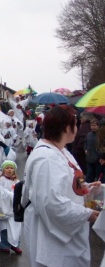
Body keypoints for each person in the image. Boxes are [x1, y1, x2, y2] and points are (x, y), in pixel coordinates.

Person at [22, 105, 100, 267]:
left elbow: (66, 183)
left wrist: (87, 187)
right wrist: (86, 214)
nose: (78, 127)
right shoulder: (47, 159)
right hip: (53, 240)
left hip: (65, 236)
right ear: (67, 128)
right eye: (76, 124)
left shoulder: (60, 150)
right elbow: (50, 202)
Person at [0, 160, 22, 254]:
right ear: (3, 170)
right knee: (4, 228)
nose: (9, 170)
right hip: (4, 208)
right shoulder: (0, 180)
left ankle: (15, 245)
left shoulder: (17, 181)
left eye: (11, 168)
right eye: (7, 168)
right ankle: (4, 245)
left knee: (16, 228)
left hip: (14, 208)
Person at [85, 118, 101, 183]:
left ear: (98, 126)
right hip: (89, 159)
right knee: (89, 177)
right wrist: (85, 149)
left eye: (94, 125)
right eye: (92, 125)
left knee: (98, 177)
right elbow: (85, 143)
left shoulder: (100, 135)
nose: (93, 127)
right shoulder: (88, 134)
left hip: (98, 160)